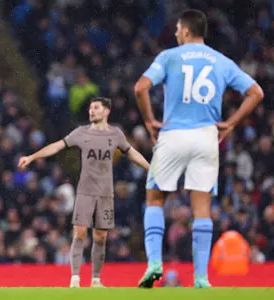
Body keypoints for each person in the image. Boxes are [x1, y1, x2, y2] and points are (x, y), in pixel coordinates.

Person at [134, 9, 264, 288]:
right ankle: (201, 278)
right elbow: (256, 93)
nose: (177, 34)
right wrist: (230, 123)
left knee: (155, 199)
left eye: (179, 30)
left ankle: (155, 263)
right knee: (202, 209)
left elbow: (140, 88)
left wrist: (148, 120)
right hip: (207, 138)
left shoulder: (168, 57)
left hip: (172, 134)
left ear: (187, 31)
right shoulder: (221, 61)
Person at [18, 97, 150, 288]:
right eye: (90, 108)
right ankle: (75, 278)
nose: (91, 111)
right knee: (79, 233)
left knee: (100, 237)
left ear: (106, 112)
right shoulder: (81, 132)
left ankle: (96, 279)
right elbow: (57, 145)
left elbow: (131, 152)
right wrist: (32, 157)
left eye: (96, 108)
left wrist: (150, 168)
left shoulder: (116, 134)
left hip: (105, 194)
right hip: (85, 192)